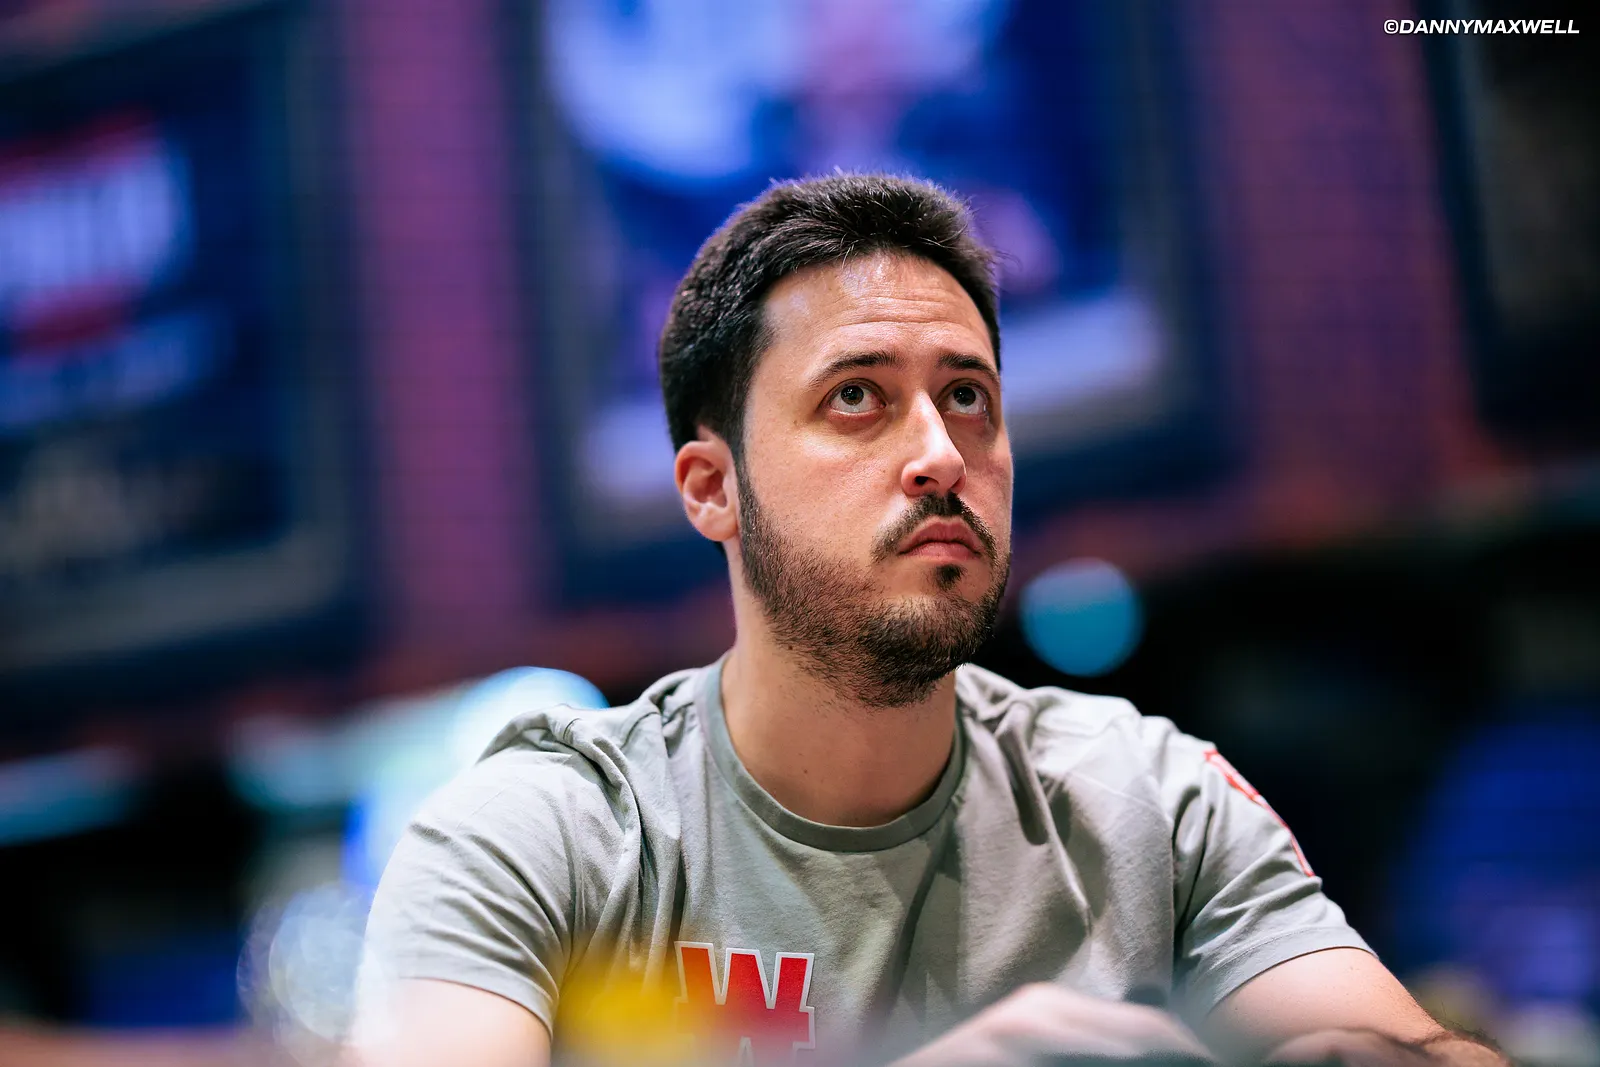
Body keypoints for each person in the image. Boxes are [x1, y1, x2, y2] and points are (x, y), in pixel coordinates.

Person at [350, 175, 1503, 1067]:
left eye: (968, 397)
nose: (941, 453)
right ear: (712, 487)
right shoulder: (540, 831)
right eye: (856, 396)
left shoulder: (1146, 797)